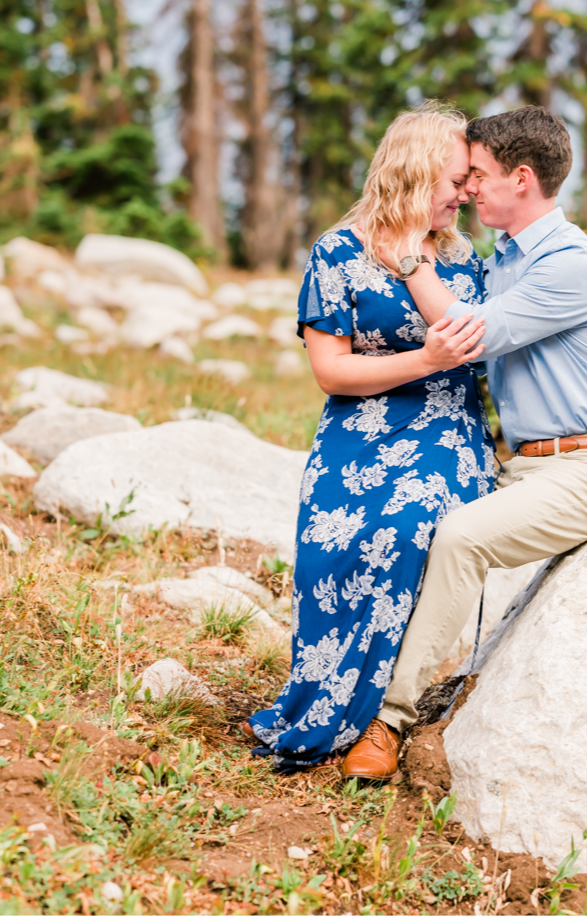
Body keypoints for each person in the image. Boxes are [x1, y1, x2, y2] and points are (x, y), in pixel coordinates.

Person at [339, 105, 587, 781]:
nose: (466, 187)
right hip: (528, 467)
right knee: (405, 521)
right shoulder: (502, 258)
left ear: (523, 179)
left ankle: (388, 719)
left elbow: (465, 338)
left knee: (462, 538)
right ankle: (339, 689)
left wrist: (409, 256)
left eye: (476, 174)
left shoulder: (570, 265)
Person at [245, 103, 498, 771]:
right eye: (456, 179)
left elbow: (475, 351)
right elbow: (331, 370)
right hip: (357, 427)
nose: (467, 192)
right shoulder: (337, 252)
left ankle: (383, 717)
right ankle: (324, 707)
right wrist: (424, 359)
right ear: (417, 175)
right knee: (330, 549)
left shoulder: (460, 257)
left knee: (407, 527)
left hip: (445, 426)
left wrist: (437, 362)